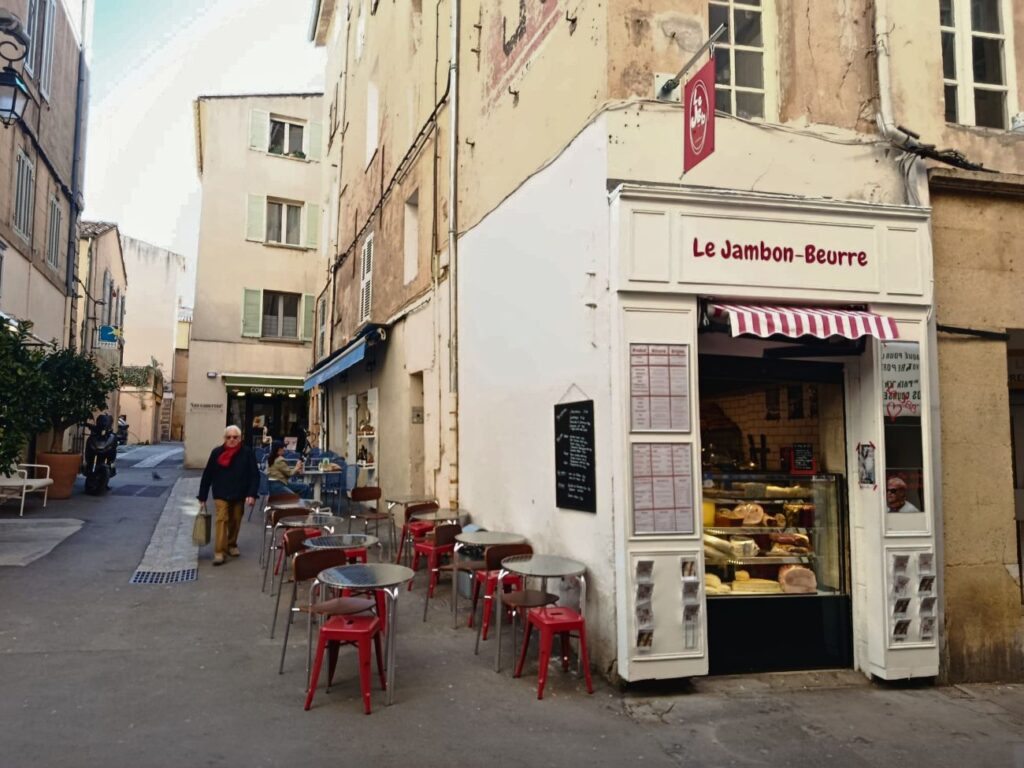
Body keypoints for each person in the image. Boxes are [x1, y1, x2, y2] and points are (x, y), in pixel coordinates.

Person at [198, 425, 259, 566]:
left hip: (239, 493)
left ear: (240, 438)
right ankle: (219, 552)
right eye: (229, 437)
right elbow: (207, 475)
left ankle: (231, 544)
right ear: (224, 438)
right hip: (220, 493)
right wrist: (202, 496)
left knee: (236, 520)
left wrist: (251, 494)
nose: (232, 440)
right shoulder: (217, 453)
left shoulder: (247, 453)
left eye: (235, 437)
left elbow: (254, 475)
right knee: (222, 519)